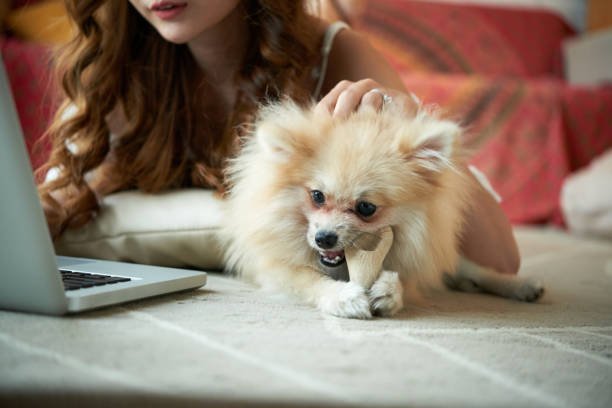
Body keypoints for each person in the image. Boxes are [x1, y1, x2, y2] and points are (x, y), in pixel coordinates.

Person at [38, 0, 520, 275]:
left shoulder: (337, 54)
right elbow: (57, 204)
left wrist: (411, 118)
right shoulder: (116, 68)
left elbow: (501, 260)